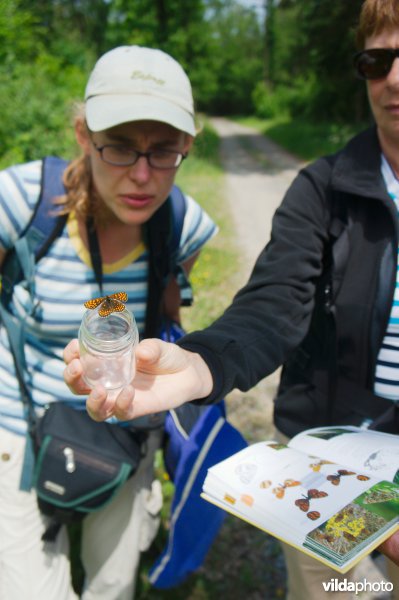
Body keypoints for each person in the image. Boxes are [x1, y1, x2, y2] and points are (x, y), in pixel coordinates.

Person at [64, 0, 399, 597]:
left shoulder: (183, 225)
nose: (395, 78)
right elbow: (274, 302)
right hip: (337, 480)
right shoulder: (322, 190)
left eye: (162, 150)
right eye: (378, 60)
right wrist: (201, 363)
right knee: (341, 590)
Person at [0, 45, 218, 600]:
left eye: (164, 150)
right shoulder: (19, 202)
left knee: (115, 586)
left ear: (187, 146)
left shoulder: (182, 225)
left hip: (122, 427)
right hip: (17, 430)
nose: (142, 175)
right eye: (119, 148)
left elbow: (168, 323)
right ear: (82, 134)